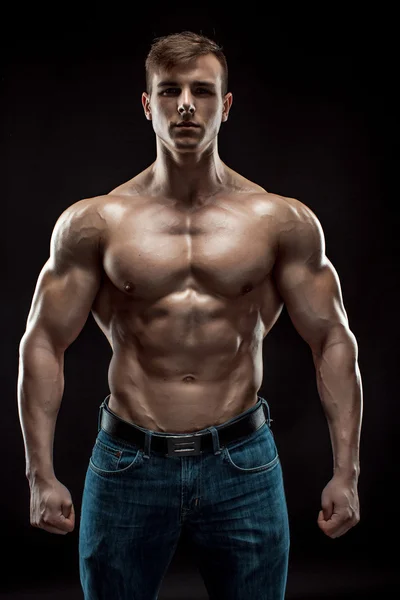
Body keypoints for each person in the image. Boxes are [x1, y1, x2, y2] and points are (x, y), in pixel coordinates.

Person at [17, 30, 363, 600]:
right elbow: (43, 341)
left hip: (242, 463)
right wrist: (40, 473)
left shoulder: (279, 220)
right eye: (170, 90)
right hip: (128, 462)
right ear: (147, 104)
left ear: (225, 106)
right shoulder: (96, 222)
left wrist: (347, 472)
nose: (185, 104)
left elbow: (332, 338)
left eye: (202, 91)